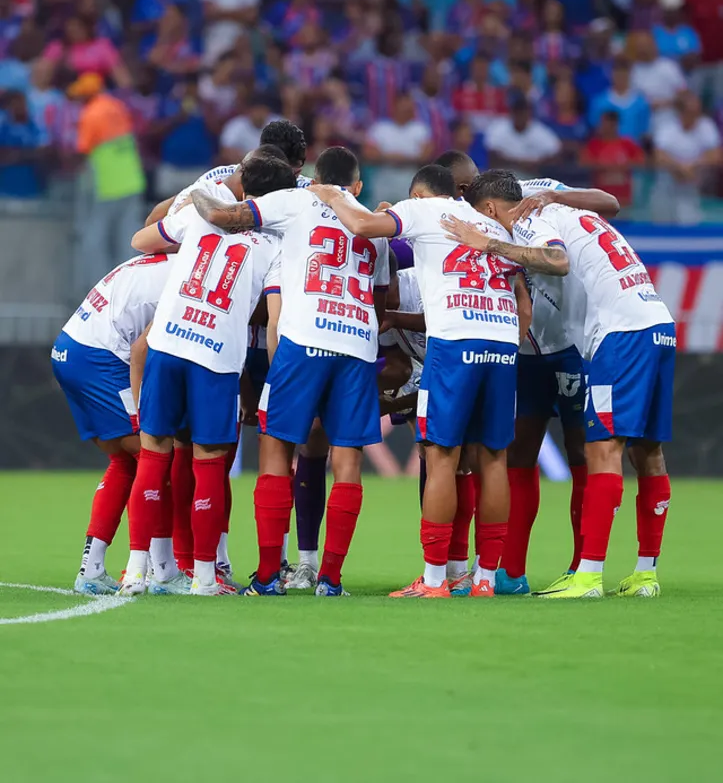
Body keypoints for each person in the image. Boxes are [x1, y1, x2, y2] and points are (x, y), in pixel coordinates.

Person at [444, 175, 675, 599]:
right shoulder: (563, 207)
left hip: (619, 335)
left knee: (602, 449)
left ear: (491, 209)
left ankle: (586, 575)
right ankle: (645, 575)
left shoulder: (526, 216)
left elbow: (556, 259)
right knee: (649, 451)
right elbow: (606, 203)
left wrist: (489, 244)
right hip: (656, 323)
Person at [309, 165, 534, 599]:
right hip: (502, 343)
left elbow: (361, 225)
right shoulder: (492, 225)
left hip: (453, 345)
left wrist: (331, 195)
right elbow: (524, 302)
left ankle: (434, 582)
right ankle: (484, 579)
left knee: (441, 457)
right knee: (493, 459)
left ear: (418, 192)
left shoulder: (421, 209)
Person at [190, 146, 390, 597]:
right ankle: (332, 579)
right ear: (357, 186)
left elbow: (226, 216)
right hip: (357, 342)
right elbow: (380, 300)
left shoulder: (297, 200)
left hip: (304, 338)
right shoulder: (372, 225)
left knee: (276, 450)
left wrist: (197, 197)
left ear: (315, 177)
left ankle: (266, 576)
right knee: (347, 461)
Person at [120, 154, 296, 596]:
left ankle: (135, 571)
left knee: (154, 456)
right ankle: (203, 576)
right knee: (210, 468)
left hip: (166, 344)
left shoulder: (199, 212)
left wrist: (190, 208)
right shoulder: (276, 244)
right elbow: (273, 318)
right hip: (216, 358)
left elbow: (142, 240)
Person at [475, 173, 620, 595]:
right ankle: (511, 572)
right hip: (524, 355)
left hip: (570, 345)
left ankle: (582, 567)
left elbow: (608, 201)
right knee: (520, 454)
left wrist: (556, 195)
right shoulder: (470, 215)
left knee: (582, 452)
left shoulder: (534, 192)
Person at [51, 250, 174, 595]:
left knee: (125, 461)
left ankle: (92, 568)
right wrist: (142, 410)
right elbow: (141, 349)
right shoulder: (187, 274)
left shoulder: (161, 257)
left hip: (69, 349)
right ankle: (163, 570)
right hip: (99, 358)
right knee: (155, 456)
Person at [71, 73, 147, 290]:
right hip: (132, 181)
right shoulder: (117, 106)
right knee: (127, 240)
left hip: (107, 186)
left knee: (94, 241)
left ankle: (100, 291)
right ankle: (129, 288)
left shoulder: (91, 113)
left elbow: (82, 150)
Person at [652, 92, 723, 225]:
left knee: (690, 222)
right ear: (681, 112)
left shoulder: (706, 126)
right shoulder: (667, 128)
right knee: (663, 224)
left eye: (697, 111)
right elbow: (658, 156)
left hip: (695, 186)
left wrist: (693, 165)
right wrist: (679, 167)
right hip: (667, 186)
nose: (695, 115)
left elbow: (716, 155)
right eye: (691, 111)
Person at [581, 110, 645, 208]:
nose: (605, 126)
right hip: (599, 200)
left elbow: (642, 162)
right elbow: (583, 163)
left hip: (623, 199)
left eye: (608, 123)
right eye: (603, 123)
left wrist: (622, 167)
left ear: (615, 124)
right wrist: (604, 167)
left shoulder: (627, 144)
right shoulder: (593, 145)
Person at [486, 96, 562, 172]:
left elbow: (555, 152)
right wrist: (518, 163)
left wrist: (537, 163)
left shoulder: (540, 131)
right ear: (512, 113)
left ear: (529, 114)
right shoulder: (499, 128)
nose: (520, 116)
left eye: (523, 112)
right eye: (517, 112)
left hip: (535, 175)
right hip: (506, 174)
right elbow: (492, 153)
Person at [588, 58, 650, 143]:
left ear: (630, 75)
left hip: (633, 151)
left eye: (624, 74)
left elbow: (644, 132)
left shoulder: (641, 103)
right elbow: (595, 129)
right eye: (617, 74)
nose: (620, 78)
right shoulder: (599, 103)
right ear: (611, 75)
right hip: (606, 151)